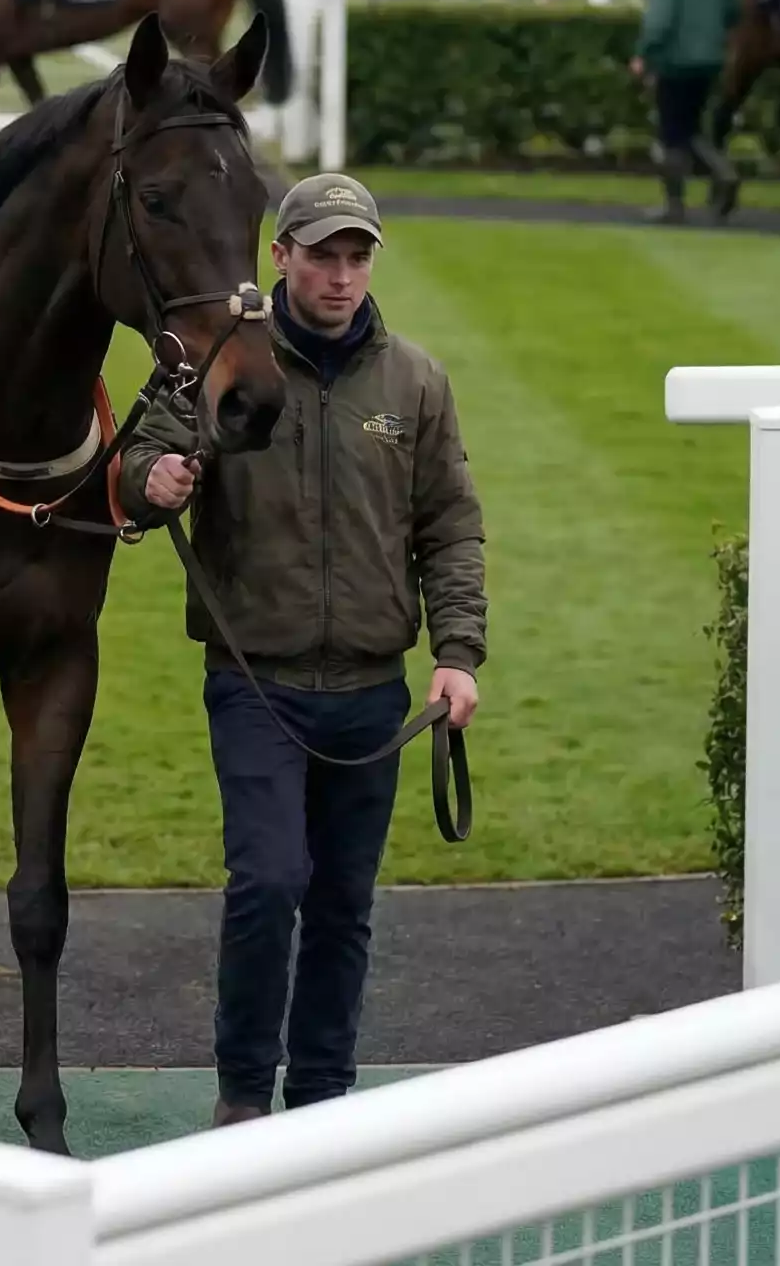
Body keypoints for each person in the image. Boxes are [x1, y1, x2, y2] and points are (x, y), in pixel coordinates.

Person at [120, 174, 487, 1128]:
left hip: (374, 690)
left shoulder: (416, 380)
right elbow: (132, 465)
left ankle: (323, 1099)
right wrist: (149, 477)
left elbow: (450, 527)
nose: (339, 274)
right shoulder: (218, 361)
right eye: (320, 255)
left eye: (356, 256)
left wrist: (458, 654)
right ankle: (244, 1092)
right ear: (279, 257)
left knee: (340, 904)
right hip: (257, 684)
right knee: (270, 879)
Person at [629, 0, 741, 224]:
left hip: (675, 62)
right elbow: (734, 10)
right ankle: (722, 172)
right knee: (689, 127)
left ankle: (676, 203)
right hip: (709, 62)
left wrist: (642, 54)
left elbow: (658, 23)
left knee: (672, 134)